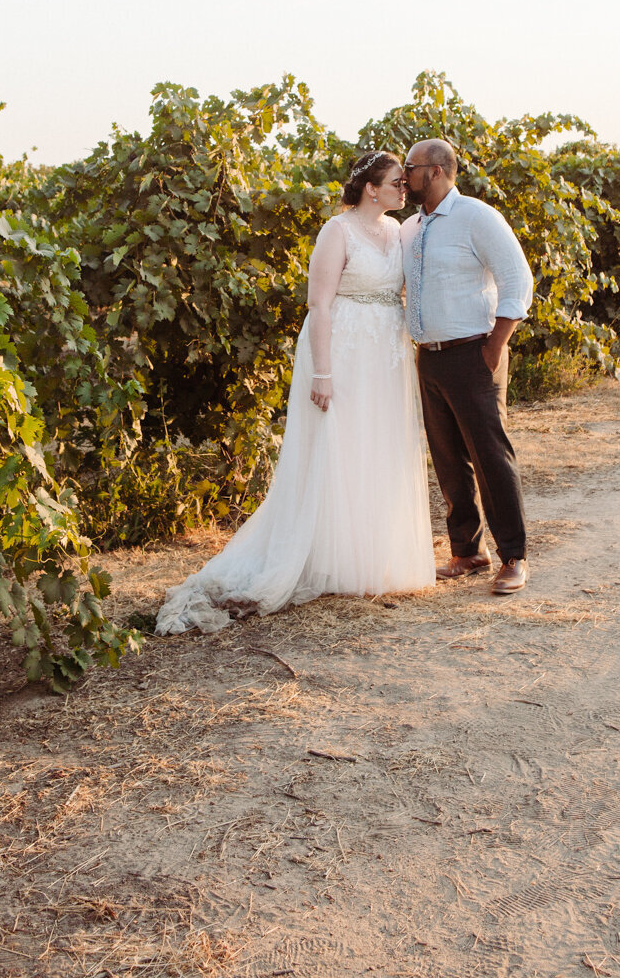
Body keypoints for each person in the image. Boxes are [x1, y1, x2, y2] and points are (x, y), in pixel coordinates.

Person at [155, 152, 436, 634]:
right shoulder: (338, 231)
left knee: (376, 445)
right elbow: (319, 305)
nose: (403, 190)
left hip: (384, 354)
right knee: (337, 447)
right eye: (396, 183)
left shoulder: (397, 232)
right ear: (371, 188)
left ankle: (367, 557)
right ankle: (321, 556)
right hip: (342, 348)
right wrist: (322, 373)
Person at [400, 139, 533, 595]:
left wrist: (495, 346)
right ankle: (468, 551)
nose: (404, 174)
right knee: (448, 460)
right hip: (430, 356)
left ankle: (513, 556)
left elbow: (518, 278)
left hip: (473, 352)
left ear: (435, 172)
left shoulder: (476, 216)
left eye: (410, 167)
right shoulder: (412, 227)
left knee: (490, 456)